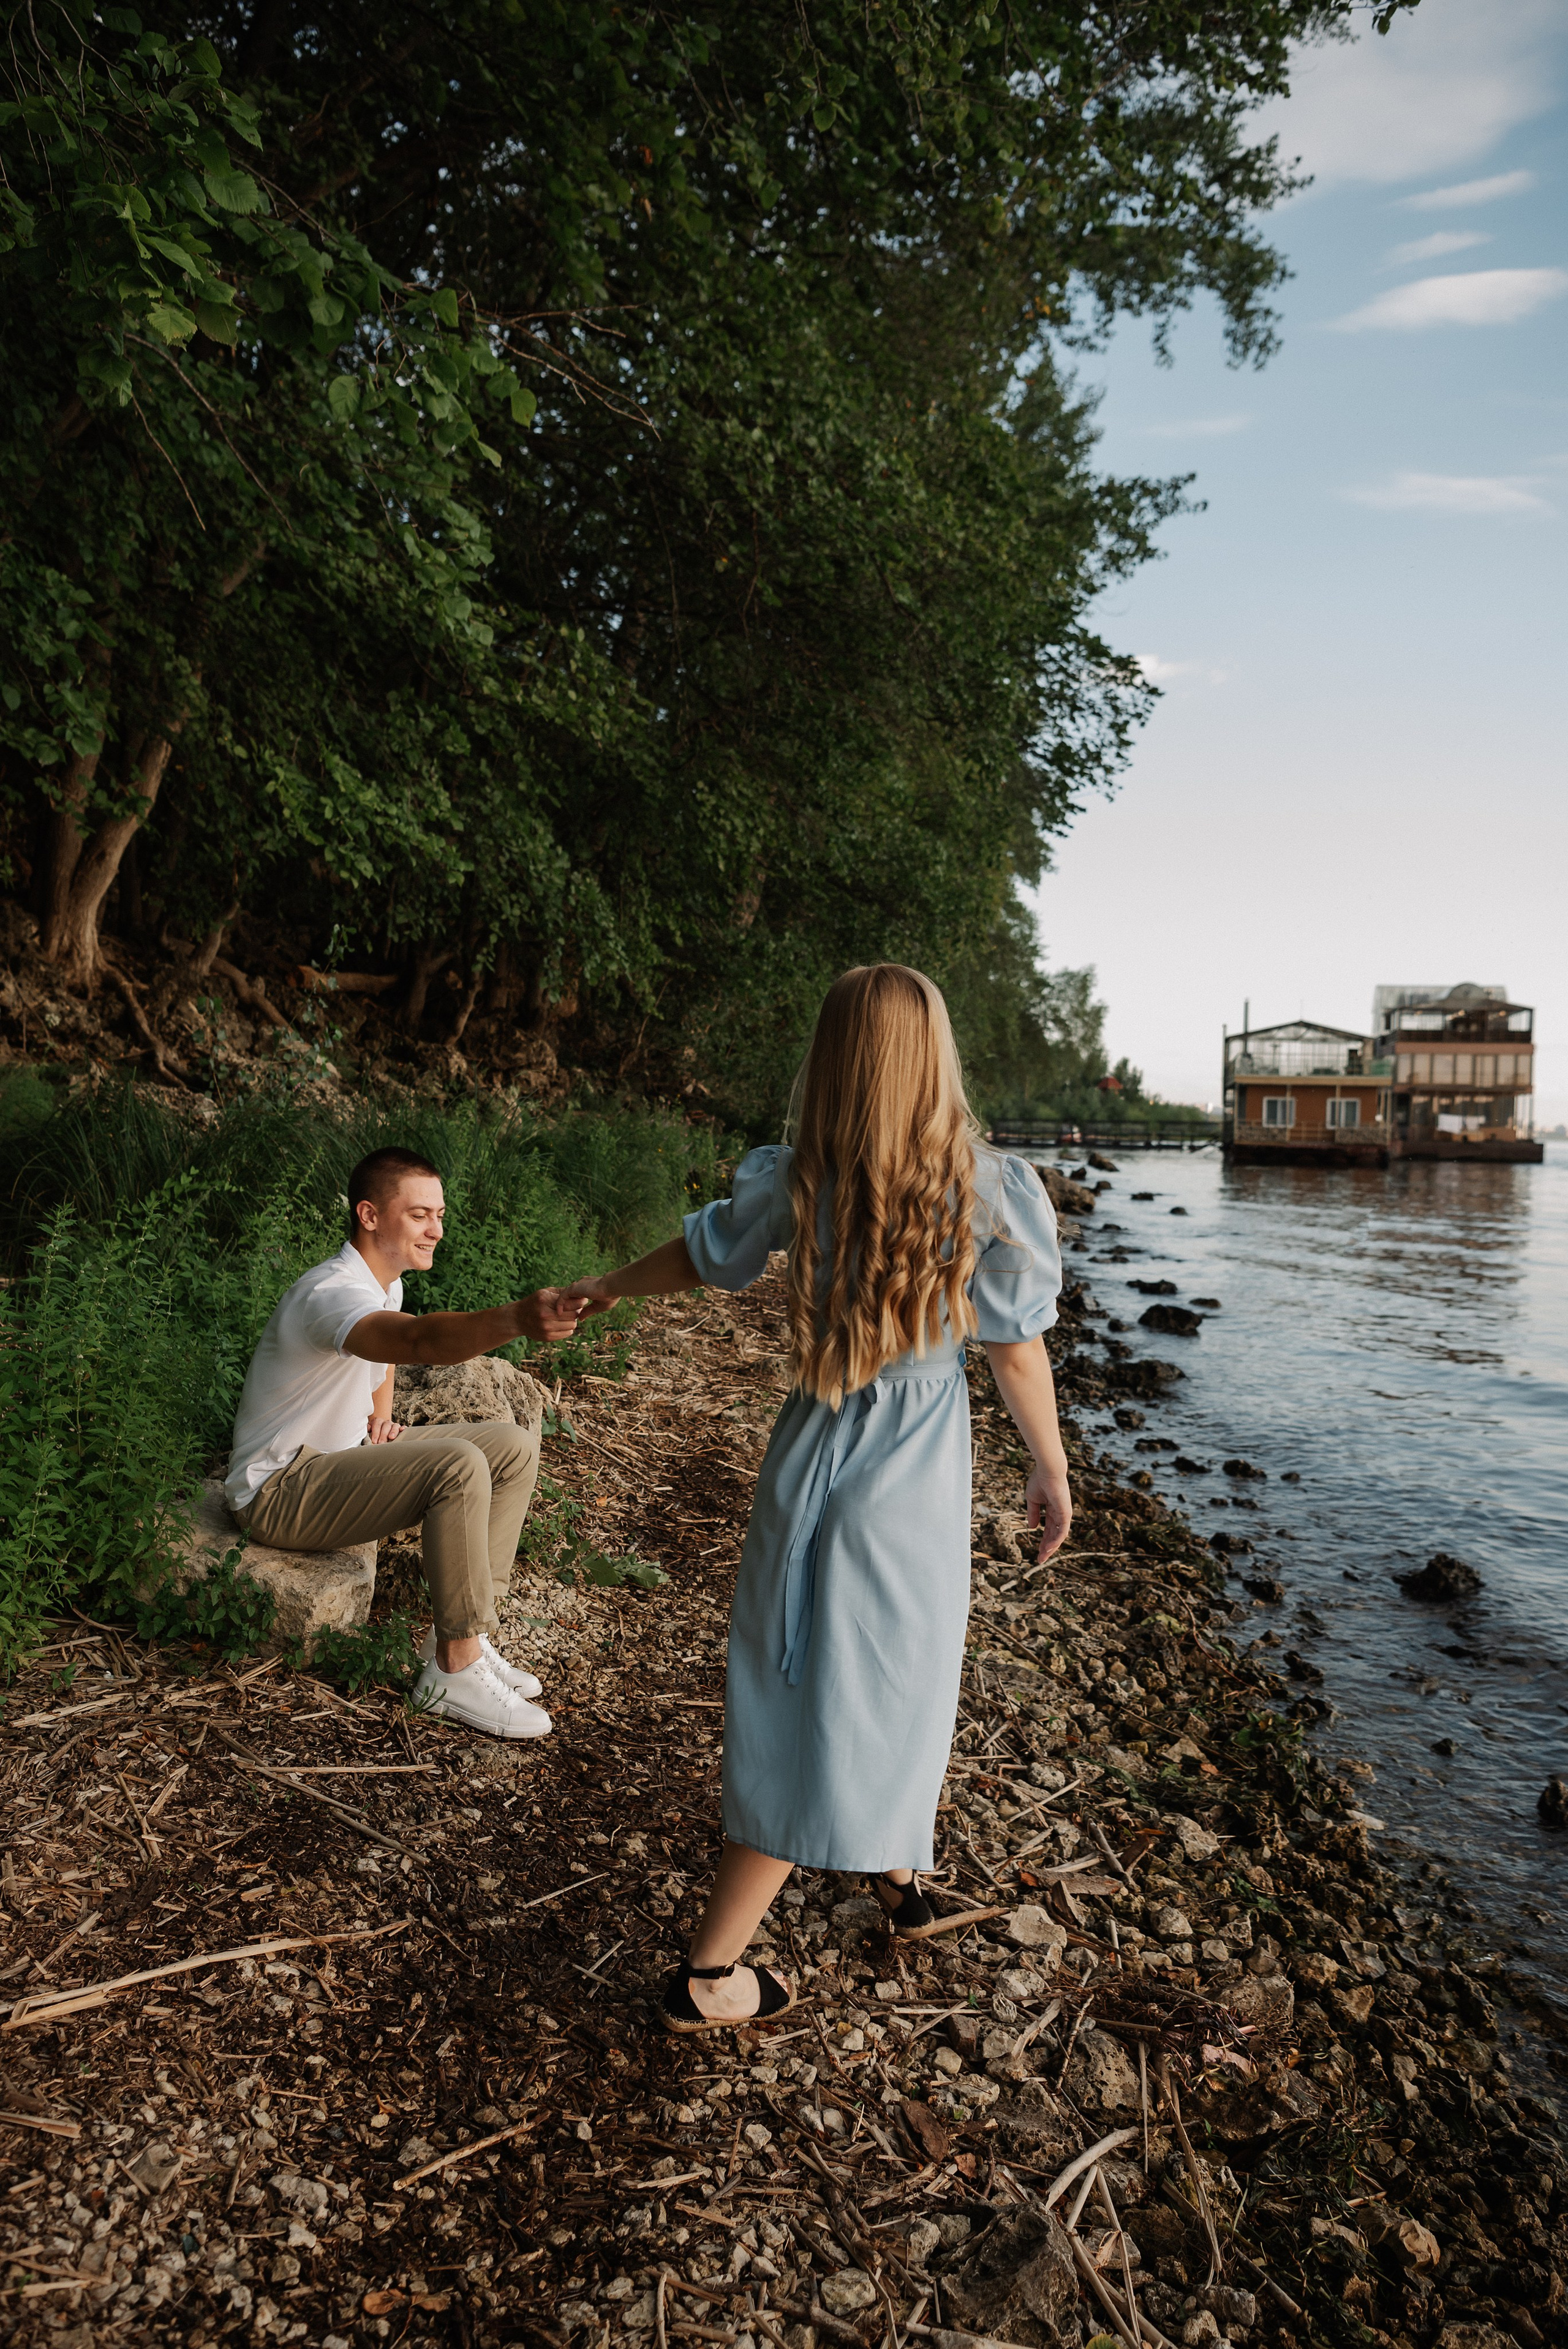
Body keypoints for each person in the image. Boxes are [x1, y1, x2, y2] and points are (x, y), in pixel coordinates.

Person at [566, 964, 1072, 2029]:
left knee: (825, 1674)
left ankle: (887, 1864)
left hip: (812, 1446)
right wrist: (1049, 1467)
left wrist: (608, 1285)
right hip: (908, 1470)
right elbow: (1014, 1351)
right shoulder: (985, 1188)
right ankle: (710, 1974)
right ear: (934, 1054)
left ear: (836, 1058)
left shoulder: (801, 1176)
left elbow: (706, 1256)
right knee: (857, 1690)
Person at [226, 1145, 588, 1738]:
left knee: (509, 1444)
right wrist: (518, 1318)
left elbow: (388, 1354)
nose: (437, 1229)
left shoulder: (381, 1283)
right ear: (369, 1215)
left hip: (337, 1464)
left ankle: (469, 1634)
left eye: (440, 1214)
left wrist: (380, 1413)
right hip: (278, 1492)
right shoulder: (331, 1293)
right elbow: (415, 1342)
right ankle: (454, 1670)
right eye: (420, 1214)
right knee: (456, 1463)